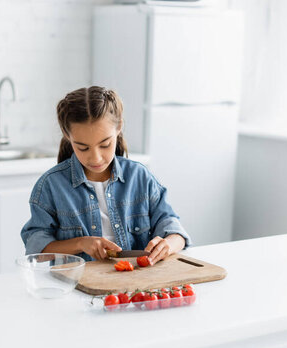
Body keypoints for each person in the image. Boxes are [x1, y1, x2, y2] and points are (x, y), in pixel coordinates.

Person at [20, 86, 191, 263]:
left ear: (118, 128)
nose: (96, 157)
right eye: (83, 147)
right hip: (76, 286)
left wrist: (168, 245)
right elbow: (37, 249)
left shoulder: (139, 177)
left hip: (135, 285)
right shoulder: (51, 185)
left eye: (105, 144)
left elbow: (174, 229)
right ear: (67, 135)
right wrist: (80, 243)